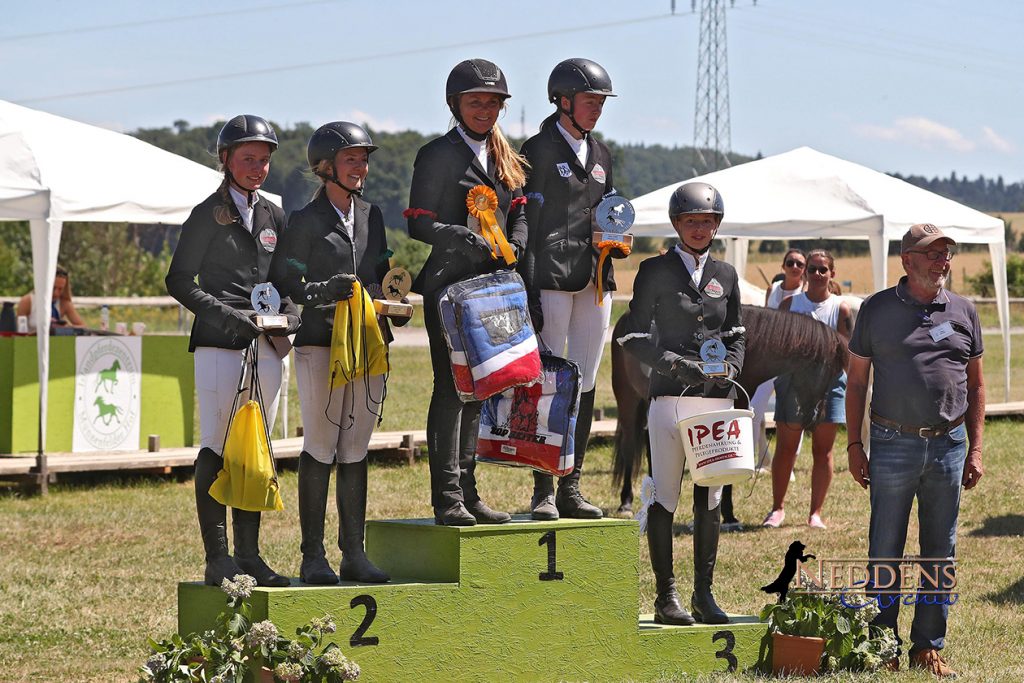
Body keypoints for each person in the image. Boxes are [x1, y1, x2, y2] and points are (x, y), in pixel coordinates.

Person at [166, 114, 299, 587]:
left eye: (263, 160)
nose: (257, 168)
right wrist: (225, 314)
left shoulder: (274, 215)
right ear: (226, 160)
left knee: (254, 448)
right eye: (248, 159)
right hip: (220, 344)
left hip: (266, 344)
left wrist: (292, 310)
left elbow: (284, 280)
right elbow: (178, 280)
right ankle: (217, 557)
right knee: (218, 445)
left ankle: (250, 556)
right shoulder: (207, 213)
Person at [846, 224, 983, 678]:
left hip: (949, 445)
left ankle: (928, 647)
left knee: (939, 550)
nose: (943, 260)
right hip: (891, 443)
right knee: (885, 548)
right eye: (932, 253)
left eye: (947, 252)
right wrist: (853, 443)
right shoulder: (877, 309)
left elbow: (977, 384)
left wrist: (976, 449)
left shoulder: (963, 309)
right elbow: (857, 382)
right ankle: (883, 644)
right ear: (907, 260)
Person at [271, 121, 401, 585]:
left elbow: (383, 276)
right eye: (352, 159)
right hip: (319, 344)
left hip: (367, 344)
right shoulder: (303, 222)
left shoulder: (373, 214)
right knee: (321, 446)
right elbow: (288, 284)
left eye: (364, 159)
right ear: (326, 167)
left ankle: (354, 553)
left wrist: (395, 308)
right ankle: (312, 556)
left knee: (355, 449)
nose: (361, 167)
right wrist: (322, 290)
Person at [406, 58, 529, 526]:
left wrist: (516, 241)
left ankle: (471, 491)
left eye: (493, 102)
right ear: (456, 104)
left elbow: (518, 207)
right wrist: (459, 235)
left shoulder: (504, 154)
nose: (486, 109)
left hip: (493, 286)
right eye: (476, 101)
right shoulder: (436, 155)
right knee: (452, 388)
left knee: (481, 388)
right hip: (449, 287)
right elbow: (418, 222)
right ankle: (448, 497)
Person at [618, 182, 743, 626]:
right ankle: (665, 596)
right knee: (665, 498)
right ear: (677, 224)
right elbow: (629, 334)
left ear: (717, 226)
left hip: (714, 404)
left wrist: (731, 366)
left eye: (707, 222)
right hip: (669, 400)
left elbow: (736, 333)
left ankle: (704, 595)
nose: (699, 228)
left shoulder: (726, 276)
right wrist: (672, 364)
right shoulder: (654, 270)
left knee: (709, 499)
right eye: (691, 221)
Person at [519, 57, 619, 521]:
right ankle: (543, 488)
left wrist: (615, 240)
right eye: (588, 101)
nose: (596, 109)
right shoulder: (536, 149)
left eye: (600, 102)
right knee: (548, 380)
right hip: (551, 278)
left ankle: (572, 485)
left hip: (596, 279)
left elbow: (608, 213)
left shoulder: (602, 155)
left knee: (586, 378)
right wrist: (529, 285)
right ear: (563, 101)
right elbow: (527, 222)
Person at [762, 249, 852, 529]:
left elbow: (847, 352)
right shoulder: (789, 304)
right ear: (804, 272)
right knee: (786, 450)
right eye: (811, 269)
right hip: (793, 384)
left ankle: (815, 513)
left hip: (829, 384)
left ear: (832, 274)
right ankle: (777, 509)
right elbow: (776, 346)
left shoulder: (841, 308)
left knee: (823, 452)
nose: (816, 274)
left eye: (822, 270)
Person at [17, 265, 86, 330]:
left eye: (60, 289)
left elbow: (83, 327)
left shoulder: (64, 303)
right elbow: (18, 330)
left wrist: (67, 327)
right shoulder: (28, 301)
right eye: (53, 288)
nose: (56, 293)